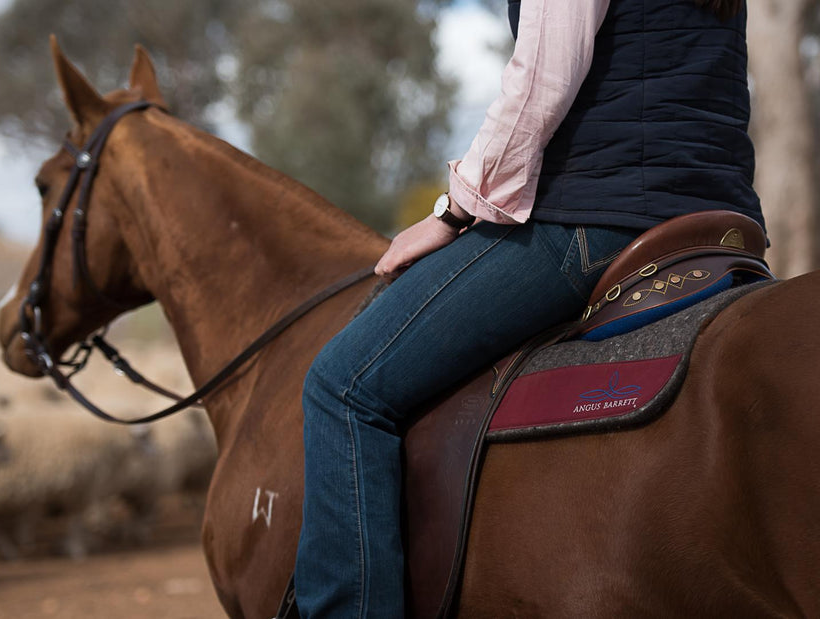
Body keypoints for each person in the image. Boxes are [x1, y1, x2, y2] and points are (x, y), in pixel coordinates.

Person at [293, 0, 762, 616]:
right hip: (719, 228)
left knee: (343, 386)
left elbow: (543, 77)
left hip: (595, 219)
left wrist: (456, 209)